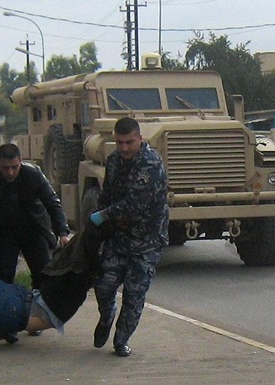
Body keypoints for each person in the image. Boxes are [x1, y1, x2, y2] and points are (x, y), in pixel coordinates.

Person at [89, 117, 169, 357]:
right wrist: (100, 224)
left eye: (129, 142)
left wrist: (102, 216)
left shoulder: (151, 163)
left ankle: (121, 340)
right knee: (103, 286)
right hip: (119, 239)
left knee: (134, 295)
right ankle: (106, 317)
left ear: (140, 139)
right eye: (119, 142)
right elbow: (108, 194)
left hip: (147, 242)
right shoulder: (113, 161)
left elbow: (134, 204)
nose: (124, 148)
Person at [0, 143, 71, 340]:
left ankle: (34, 319)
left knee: (42, 275)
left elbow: (53, 204)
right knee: (4, 277)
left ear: (21, 162)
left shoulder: (33, 174)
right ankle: (6, 322)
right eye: (5, 168)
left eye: (14, 167)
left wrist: (62, 232)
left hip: (33, 229)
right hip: (5, 233)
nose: (10, 173)